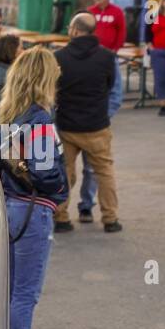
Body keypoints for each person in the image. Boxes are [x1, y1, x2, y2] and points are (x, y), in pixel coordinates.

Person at [0, 47, 68, 329]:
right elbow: (46, 173)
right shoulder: (38, 118)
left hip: (11, 206)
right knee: (26, 291)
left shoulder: (9, 115)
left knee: (9, 289)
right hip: (32, 209)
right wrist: (59, 187)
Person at [53, 12, 120, 233]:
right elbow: (111, 87)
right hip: (97, 126)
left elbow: (53, 91)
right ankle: (110, 219)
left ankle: (61, 217)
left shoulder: (59, 57)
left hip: (67, 126)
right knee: (104, 172)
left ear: (74, 30)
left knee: (65, 173)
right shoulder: (107, 57)